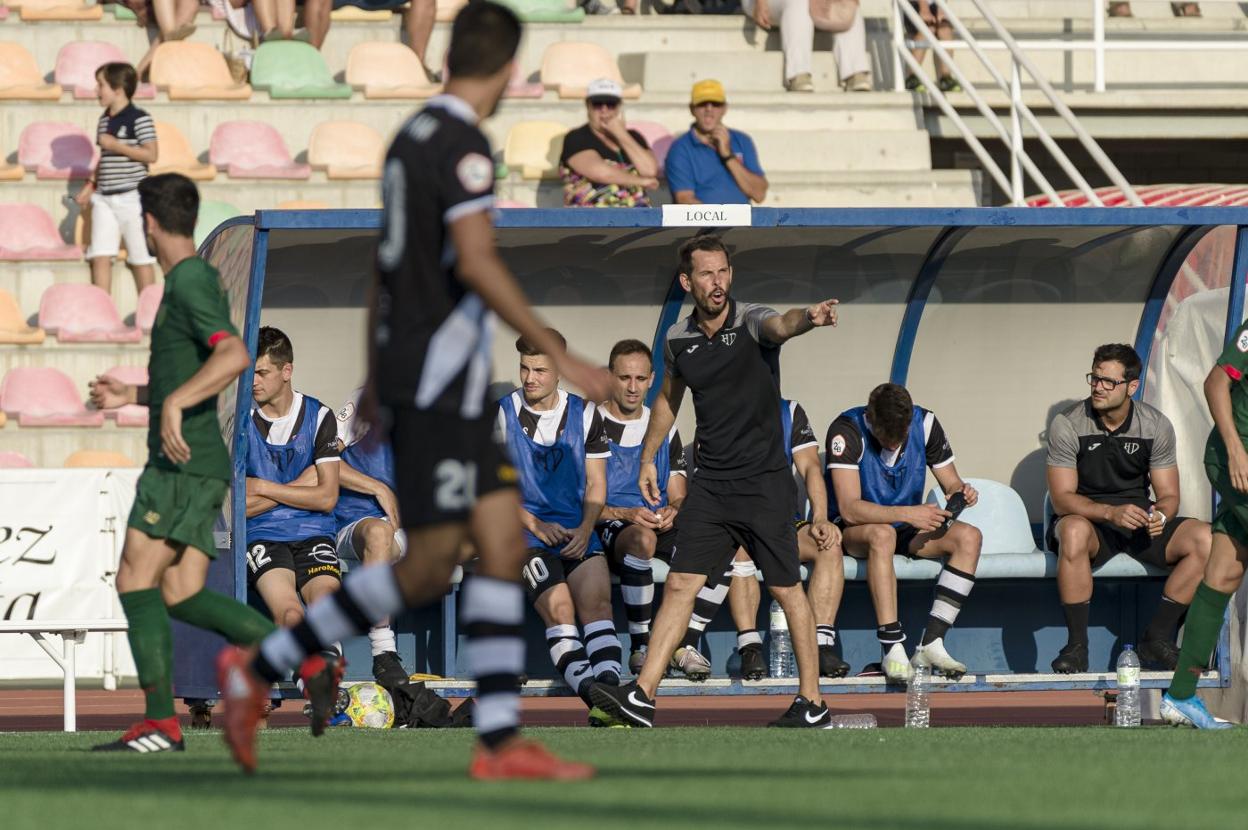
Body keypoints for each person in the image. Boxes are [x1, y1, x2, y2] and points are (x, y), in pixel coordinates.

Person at [219, 1, 605, 780]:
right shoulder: (463, 145)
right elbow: (478, 260)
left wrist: (374, 374)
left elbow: (384, 267)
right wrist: (571, 362)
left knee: (486, 548)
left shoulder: (408, 140)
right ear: (501, 69)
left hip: (424, 378)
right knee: (439, 564)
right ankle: (260, 672)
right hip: (440, 386)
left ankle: (496, 740)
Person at [590, 234, 840, 729]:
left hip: (765, 485)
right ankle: (642, 696)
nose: (717, 282)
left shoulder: (750, 321)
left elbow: (780, 324)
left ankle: (812, 702)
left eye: (723, 271)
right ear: (688, 282)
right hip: (710, 485)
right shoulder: (678, 340)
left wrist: (807, 319)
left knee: (787, 590)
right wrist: (646, 458)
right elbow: (667, 400)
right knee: (681, 582)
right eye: (706, 274)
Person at [86, 173, 275, 753]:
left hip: (179, 463)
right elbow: (192, 369)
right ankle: (308, 660)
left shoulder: (190, 279)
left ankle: (160, 722)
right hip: (197, 461)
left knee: (134, 580)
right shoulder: (189, 280)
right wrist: (137, 396)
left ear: (146, 223)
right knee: (181, 592)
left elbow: (235, 354)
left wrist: (173, 401)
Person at [1047, 344, 1212, 674]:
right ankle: (1077, 646)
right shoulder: (1067, 424)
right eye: (1095, 378)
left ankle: (1157, 637)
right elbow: (1062, 498)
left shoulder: (1155, 425)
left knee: (1207, 540)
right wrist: (1109, 513)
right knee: (1075, 530)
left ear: (1131, 387)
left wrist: (1160, 515)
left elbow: (1168, 495)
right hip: (1088, 522)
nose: (1098, 387)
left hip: (1137, 522)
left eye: (1108, 382)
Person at [496, 331, 623, 723]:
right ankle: (597, 699)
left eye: (540, 370)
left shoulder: (585, 414)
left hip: (575, 531)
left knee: (599, 606)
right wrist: (535, 522)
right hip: (525, 534)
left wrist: (586, 529)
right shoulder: (501, 414)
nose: (529, 377)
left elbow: (597, 483)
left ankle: (613, 696)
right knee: (562, 610)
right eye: (524, 368)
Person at [826, 382, 981, 682]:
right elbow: (849, 509)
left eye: (901, 437)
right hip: (857, 531)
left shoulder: (926, 423)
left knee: (969, 537)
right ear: (870, 419)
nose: (894, 445)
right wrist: (908, 513)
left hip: (906, 525)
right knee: (883, 535)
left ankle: (931, 642)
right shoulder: (846, 429)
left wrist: (960, 493)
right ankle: (892, 647)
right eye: (886, 437)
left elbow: (951, 481)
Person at [719, 398, 848, 679]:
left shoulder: (789, 411)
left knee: (828, 544)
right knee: (738, 548)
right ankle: (750, 648)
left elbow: (811, 467)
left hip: (783, 521)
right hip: (740, 521)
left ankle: (821, 645)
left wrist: (821, 517)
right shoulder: (721, 405)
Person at [1160, 321, 1248, 728]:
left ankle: (1180, 696)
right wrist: (1234, 448)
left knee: (1223, 576)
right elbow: (1216, 382)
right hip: (1237, 462)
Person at [244, 327, 343, 636]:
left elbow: (327, 499)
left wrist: (263, 487)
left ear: (286, 371)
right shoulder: (239, 420)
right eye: (250, 373)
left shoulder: (319, 415)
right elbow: (238, 508)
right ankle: (312, 680)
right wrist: (303, 485)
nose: (253, 382)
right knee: (289, 612)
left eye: (261, 373)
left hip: (314, 531)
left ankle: (322, 674)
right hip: (261, 534)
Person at [333, 387, 410, 686]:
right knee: (379, 534)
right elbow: (325, 462)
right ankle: (383, 652)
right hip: (358, 524)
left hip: (408, 532)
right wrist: (379, 488)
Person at [76, 62, 159, 298]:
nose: (96, 90)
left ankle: (149, 312)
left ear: (118, 89)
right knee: (100, 255)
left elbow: (151, 154)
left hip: (134, 197)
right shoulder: (104, 119)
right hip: (105, 198)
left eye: (101, 85)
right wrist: (91, 185)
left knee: (141, 257)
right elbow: (105, 158)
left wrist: (116, 145)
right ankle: (101, 311)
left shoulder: (139, 118)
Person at [558, 78, 658, 208]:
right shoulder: (576, 137)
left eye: (611, 104)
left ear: (619, 107)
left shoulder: (634, 137)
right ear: (588, 106)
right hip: (591, 218)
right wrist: (641, 181)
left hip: (637, 216)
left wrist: (621, 134)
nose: (604, 110)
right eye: (597, 104)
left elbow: (649, 170)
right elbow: (601, 173)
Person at [664, 80, 767, 206]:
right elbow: (685, 200)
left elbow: (759, 194)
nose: (709, 109)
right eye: (702, 104)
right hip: (701, 225)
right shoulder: (680, 148)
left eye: (715, 104)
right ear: (692, 109)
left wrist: (728, 156)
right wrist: (722, 220)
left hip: (742, 223)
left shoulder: (742, 140)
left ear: (724, 108)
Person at [903, 0, 960, 93]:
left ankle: (946, 78)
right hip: (912, 4)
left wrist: (941, 9)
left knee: (945, 29)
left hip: (934, 4)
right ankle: (912, 77)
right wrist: (924, 8)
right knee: (928, 28)